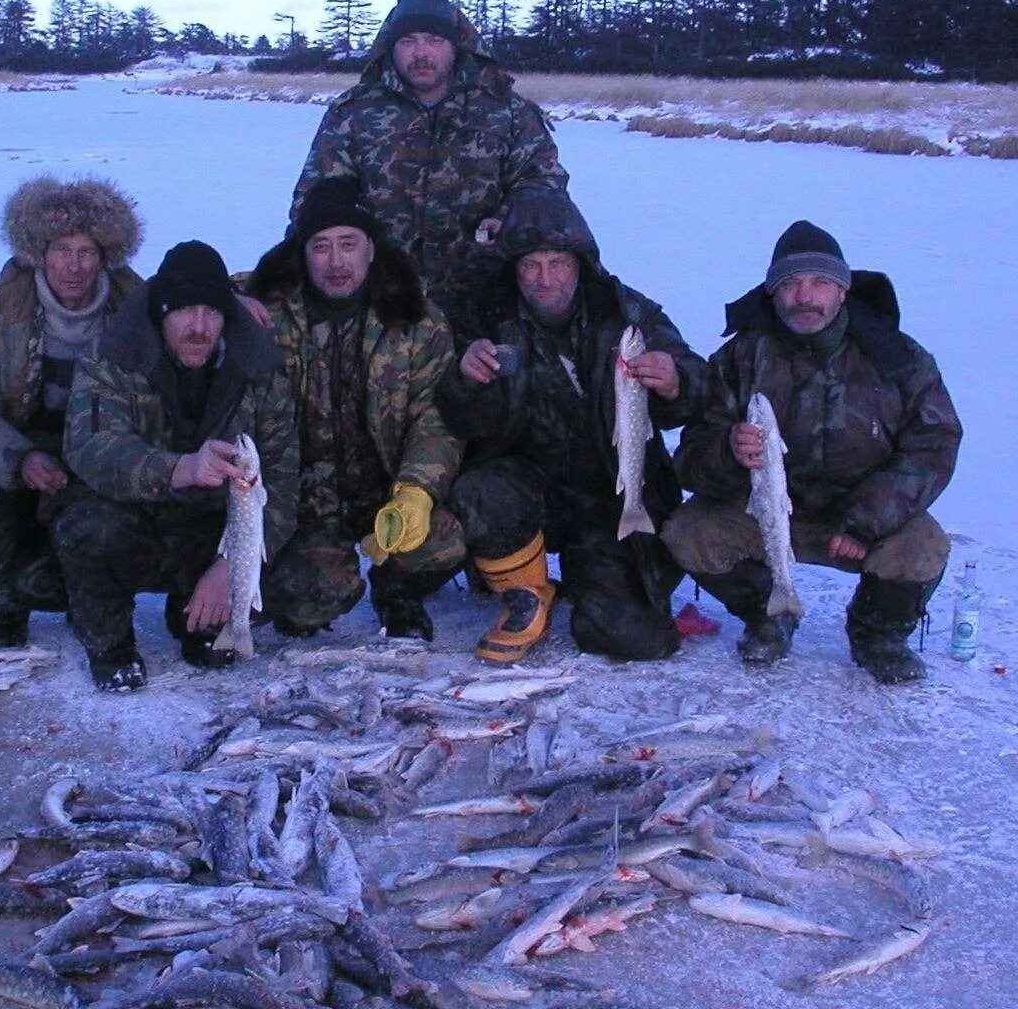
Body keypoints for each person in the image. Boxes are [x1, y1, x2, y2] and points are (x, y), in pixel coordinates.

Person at [663, 221, 962, 684]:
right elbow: (690, 455)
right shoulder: (741, 357)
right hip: (766, 515)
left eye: (820, 282)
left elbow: (934, 445)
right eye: (790, 284)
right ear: (772, 292)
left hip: (860, 519)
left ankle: (876, 633)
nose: (805, 296)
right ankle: (771, 614)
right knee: (687, 530)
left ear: (843, 290)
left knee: (924, 546)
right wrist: (727, 451)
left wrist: (866, 519)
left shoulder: (897, 356)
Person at [436, 187, 707, 664]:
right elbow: (461, 421)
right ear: (513, 268)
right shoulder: (485, 316)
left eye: (557, 263)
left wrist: (675, 380)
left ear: (581, 262)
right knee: (481, 489)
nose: (544, 279)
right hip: (529, 483)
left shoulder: (626, 313)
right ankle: (526, 593)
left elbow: (697, 388)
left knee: (631, 638)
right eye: (530, 265)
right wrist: (466, 380)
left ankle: (600, 578)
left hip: (613, 492)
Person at [54, 241, 298, 691]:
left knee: (298, 581)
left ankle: (197, 617)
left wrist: (232, 562)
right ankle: (110, 644)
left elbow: (281, 479)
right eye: (184, 312)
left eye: (212, 313)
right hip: (135, 517)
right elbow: (92, 448)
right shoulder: (113, 358)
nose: (199, 327)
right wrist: (178, 468)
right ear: (161, 314)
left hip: (209, 528)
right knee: (87, 526)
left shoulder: (259, 371)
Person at [245, 177, 465, 641]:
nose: (335, 261)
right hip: (300, 500)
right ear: (302, 253)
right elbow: (182, 296)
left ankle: (399, 589)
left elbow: (436, 416)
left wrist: (416, 491)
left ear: (371, 249)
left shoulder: (417, 318)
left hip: (383, 490)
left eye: (348, 244)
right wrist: (225, 305)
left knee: (449, 538)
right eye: (320, 246)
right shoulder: (264, 306)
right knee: (310, 597)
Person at [0, 176, 143, 648]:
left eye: (86, 251)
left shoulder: (138, 316)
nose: (74, 265)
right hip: (20, 453)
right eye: (62, 250)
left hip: (102, 454)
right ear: (38, 254)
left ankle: (90, 594)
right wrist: (19, 458)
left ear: (104, 255)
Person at [290, 0, 567, 315]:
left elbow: (545, 184)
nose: (420, 53)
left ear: (455, 46)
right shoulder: (353, 113)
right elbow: (316, 200)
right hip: (381, 306)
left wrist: (509, 218)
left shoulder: (506, 111)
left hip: (488, 303)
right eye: (408, 41)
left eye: (434, 40)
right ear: (391, 48)